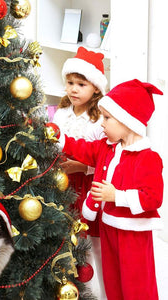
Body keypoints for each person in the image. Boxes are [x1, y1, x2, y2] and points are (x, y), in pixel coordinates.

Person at [62, 79, 163, 299]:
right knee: (112, 279)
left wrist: (116, 195)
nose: (101, 124)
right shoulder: (106, 148)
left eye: (107, 118)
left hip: (132, 233)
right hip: (108, 226)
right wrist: (60, 139)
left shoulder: (148, 158)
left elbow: (153, 198)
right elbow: (82, 149)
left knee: (136, 282)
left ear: (128, 121)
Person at [52, 46, 107, 298]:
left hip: (84, 184)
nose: (73, 89)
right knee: (60, 233)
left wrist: (82, 166)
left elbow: (105, 158)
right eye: (70, 83)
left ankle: (86, 286)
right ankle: (61, 281)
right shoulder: (61, 114)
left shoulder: (99, 121)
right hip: (58, 182)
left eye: (81, 84)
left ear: (95, 88)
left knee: (83, 237)